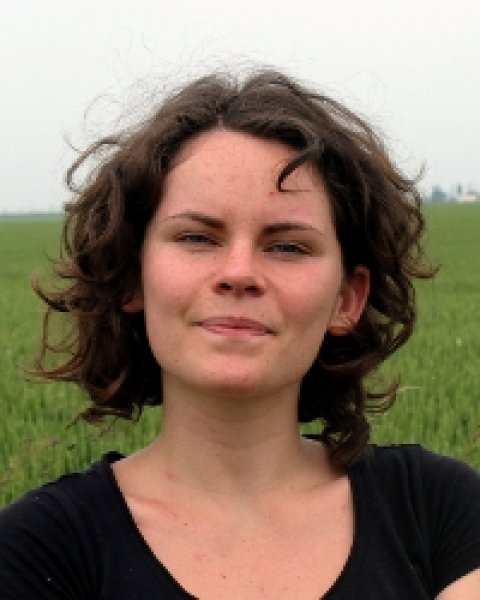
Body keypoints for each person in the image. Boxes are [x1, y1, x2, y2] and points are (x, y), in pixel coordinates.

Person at [0, 69, 479, 599]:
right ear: (132, 276)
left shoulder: (438, 509)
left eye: (288, 246)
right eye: (197, 237)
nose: (239, 272)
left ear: (348, 299)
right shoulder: (36, 551)